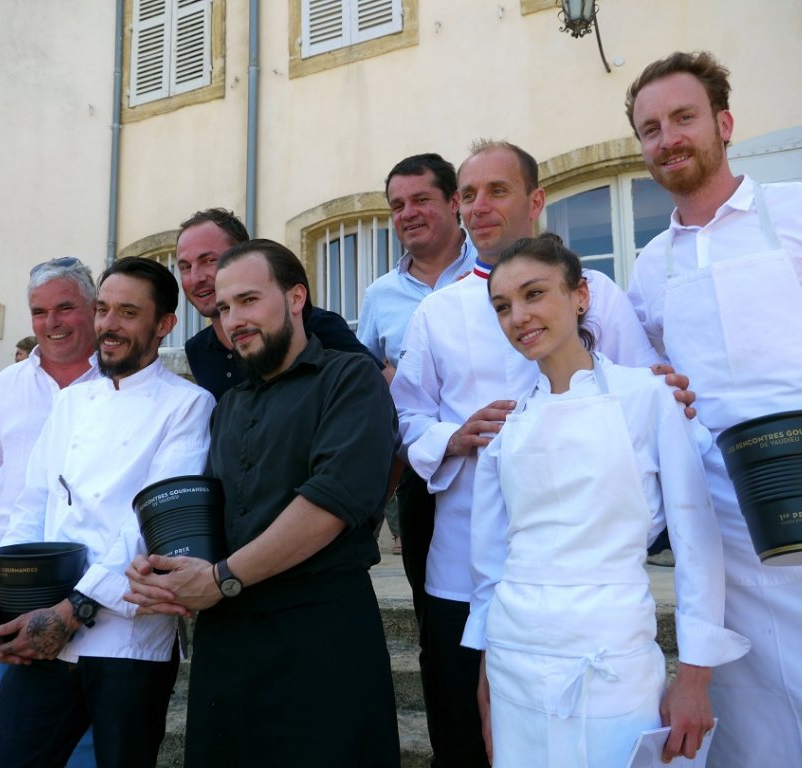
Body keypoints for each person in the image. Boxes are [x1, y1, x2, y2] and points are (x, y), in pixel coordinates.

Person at [625, 50, 802, 767]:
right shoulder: (648, 264)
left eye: (682, 118)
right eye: (649, 128)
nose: (667, 138)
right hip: (722, 531)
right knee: (752, 719)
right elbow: (655, 384)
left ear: (723, 124)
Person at [390, 140, 664, 768]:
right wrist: (454, 438)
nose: (478, 207)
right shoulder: (437, 311)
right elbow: (408, 417)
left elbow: (641, 407)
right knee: (466, 730)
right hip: (464, 557)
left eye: (497, 191)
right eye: (467, 194)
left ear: (536, 200)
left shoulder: (597, 293)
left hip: (577, 567)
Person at [464, 236, 749, 767]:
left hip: (612, 656)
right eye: (502, 306)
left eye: (534, 293)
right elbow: (488, 569)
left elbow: (699, 546)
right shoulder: (508, 427)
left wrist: (694, 677)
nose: (518, 316)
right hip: (513, 661)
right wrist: (485, 674)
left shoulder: (649, 397)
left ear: (580, 295)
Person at [125, 239, 400, 768]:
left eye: (248, 300)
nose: (233, 320)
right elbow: (211, 516)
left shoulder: (349, 378)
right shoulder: (227, 406)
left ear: (296, 297)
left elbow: (331, 501)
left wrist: (221, 578)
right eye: (224, 309)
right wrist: (160, 564)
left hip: (322, 635)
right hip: (229, 643)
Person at [0, 257, 215, 768]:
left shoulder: (189, 404)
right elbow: (30, 504)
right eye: (103, 309)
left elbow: (151, 526)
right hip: (44, 628)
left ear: (165, 323)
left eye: (128, 312)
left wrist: (73, 611)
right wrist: (2, 593)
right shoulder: (72, 403)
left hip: (127, 640)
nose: (108, 324)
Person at [0, 257, 100, 767]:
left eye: (66, 306)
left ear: (93, 307)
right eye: (40, 311)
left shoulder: (117, 382)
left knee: (91, 744)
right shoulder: (6, 385)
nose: (52, 322)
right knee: (26, 738)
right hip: (18, 586)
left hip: (96, 587)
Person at [357, 151, 477, 730]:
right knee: (439, 628)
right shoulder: (381, 295)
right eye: (397, 205)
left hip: (506, 470)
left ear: (455, 201)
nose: (408, 213)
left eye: (422, 199)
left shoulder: (498, 272)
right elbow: (373, 388)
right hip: (427, 482)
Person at [176, 207, 382, 401]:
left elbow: (382, 387)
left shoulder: (315, 325)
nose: (195, 278)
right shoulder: (197, 350)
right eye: (185, 267)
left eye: (210, 261)